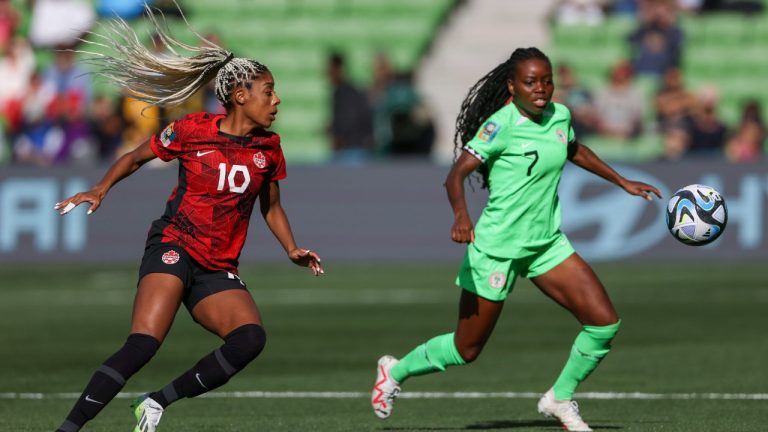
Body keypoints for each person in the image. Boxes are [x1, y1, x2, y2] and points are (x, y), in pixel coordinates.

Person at [52, 7, 324, 432]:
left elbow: (271, 205)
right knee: (143, 344)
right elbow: (136, 156)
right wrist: (99, 188)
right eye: (268, 91)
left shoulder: (269, 148)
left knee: (250, 339)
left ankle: (156, 402)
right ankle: (67, 429)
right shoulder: (193, 129)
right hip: (174, 245)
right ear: (240, 96)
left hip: (218, 265)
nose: (276, 100)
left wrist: (291, 248)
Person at [371, 47, 661, 432]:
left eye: (547, 80)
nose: (541, 89)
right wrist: (461, 216)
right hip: (497, 250)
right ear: (513, 86)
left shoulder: (560, 116)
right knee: (466, 349)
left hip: (545, 245)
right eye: (530, 81)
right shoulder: (499, 125)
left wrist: (622, 181)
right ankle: (395, 370)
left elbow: (573, 149)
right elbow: (455, 175)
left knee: (604, 323)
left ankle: (559, 398)